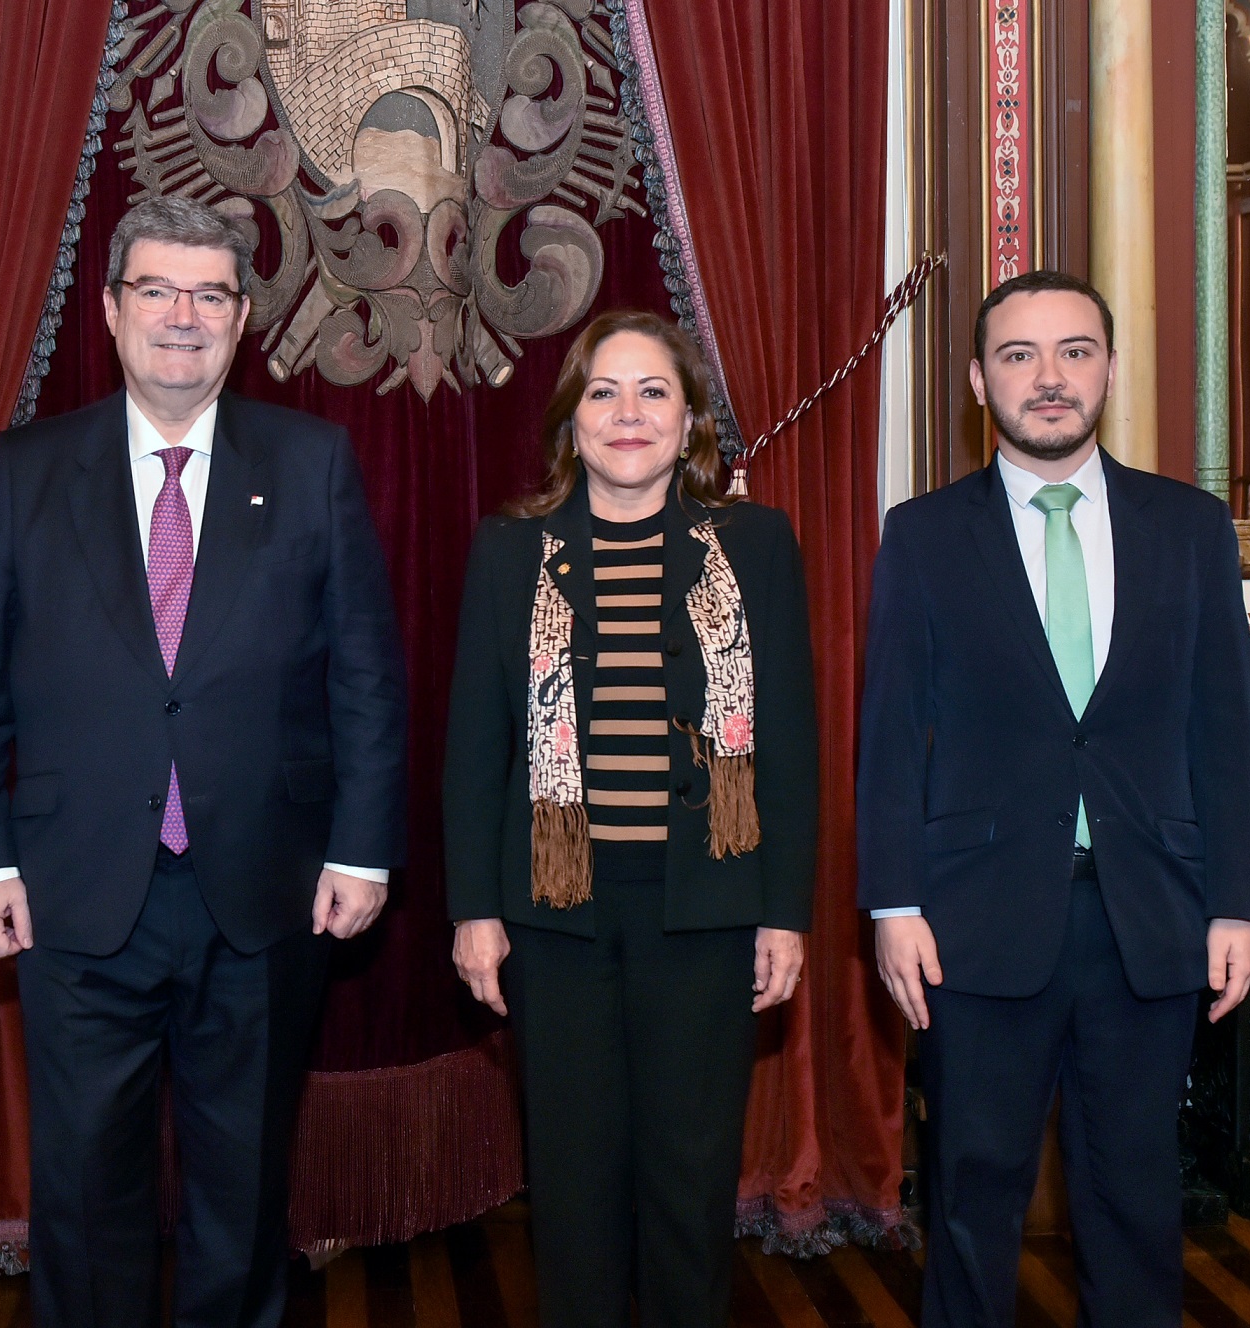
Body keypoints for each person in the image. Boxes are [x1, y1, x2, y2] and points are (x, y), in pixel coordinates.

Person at [0, 195, 407, 1328]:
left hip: (263, 890)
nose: (182, 316)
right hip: (74, 890)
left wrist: (364, 850)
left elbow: (366, 680)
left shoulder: (312, 463)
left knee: (240, 1195)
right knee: (86, 1191)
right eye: (156, 289)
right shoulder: (27, 466)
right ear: (109, 308)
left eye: (208, 294)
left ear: (242, 318)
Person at [857, 269, 1250, 1326]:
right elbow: (893, 737)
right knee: (969, 1195)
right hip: (973, 920)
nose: (1049, 378)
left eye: (1073, 351)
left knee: (1133, 1197)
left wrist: (1238, 903)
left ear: (1110, 368)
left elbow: (1223, 732)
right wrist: (890, 905)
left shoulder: (1190, 528)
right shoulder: (922, 535)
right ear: (976, 380)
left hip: (1150, 915)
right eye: (1019, 354)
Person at [443, 309, 817, 1326]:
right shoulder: (512, 548)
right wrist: (473, 908)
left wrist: (783, 912)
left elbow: (786, 738)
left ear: (690, 420)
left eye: (653, 391)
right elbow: (477, 741)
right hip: (554, 912)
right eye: (604, 391)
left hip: (704, 908)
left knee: (687, 1178)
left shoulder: (754, 541)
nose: (628, 413)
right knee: (571, 1177)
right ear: (572, 422)